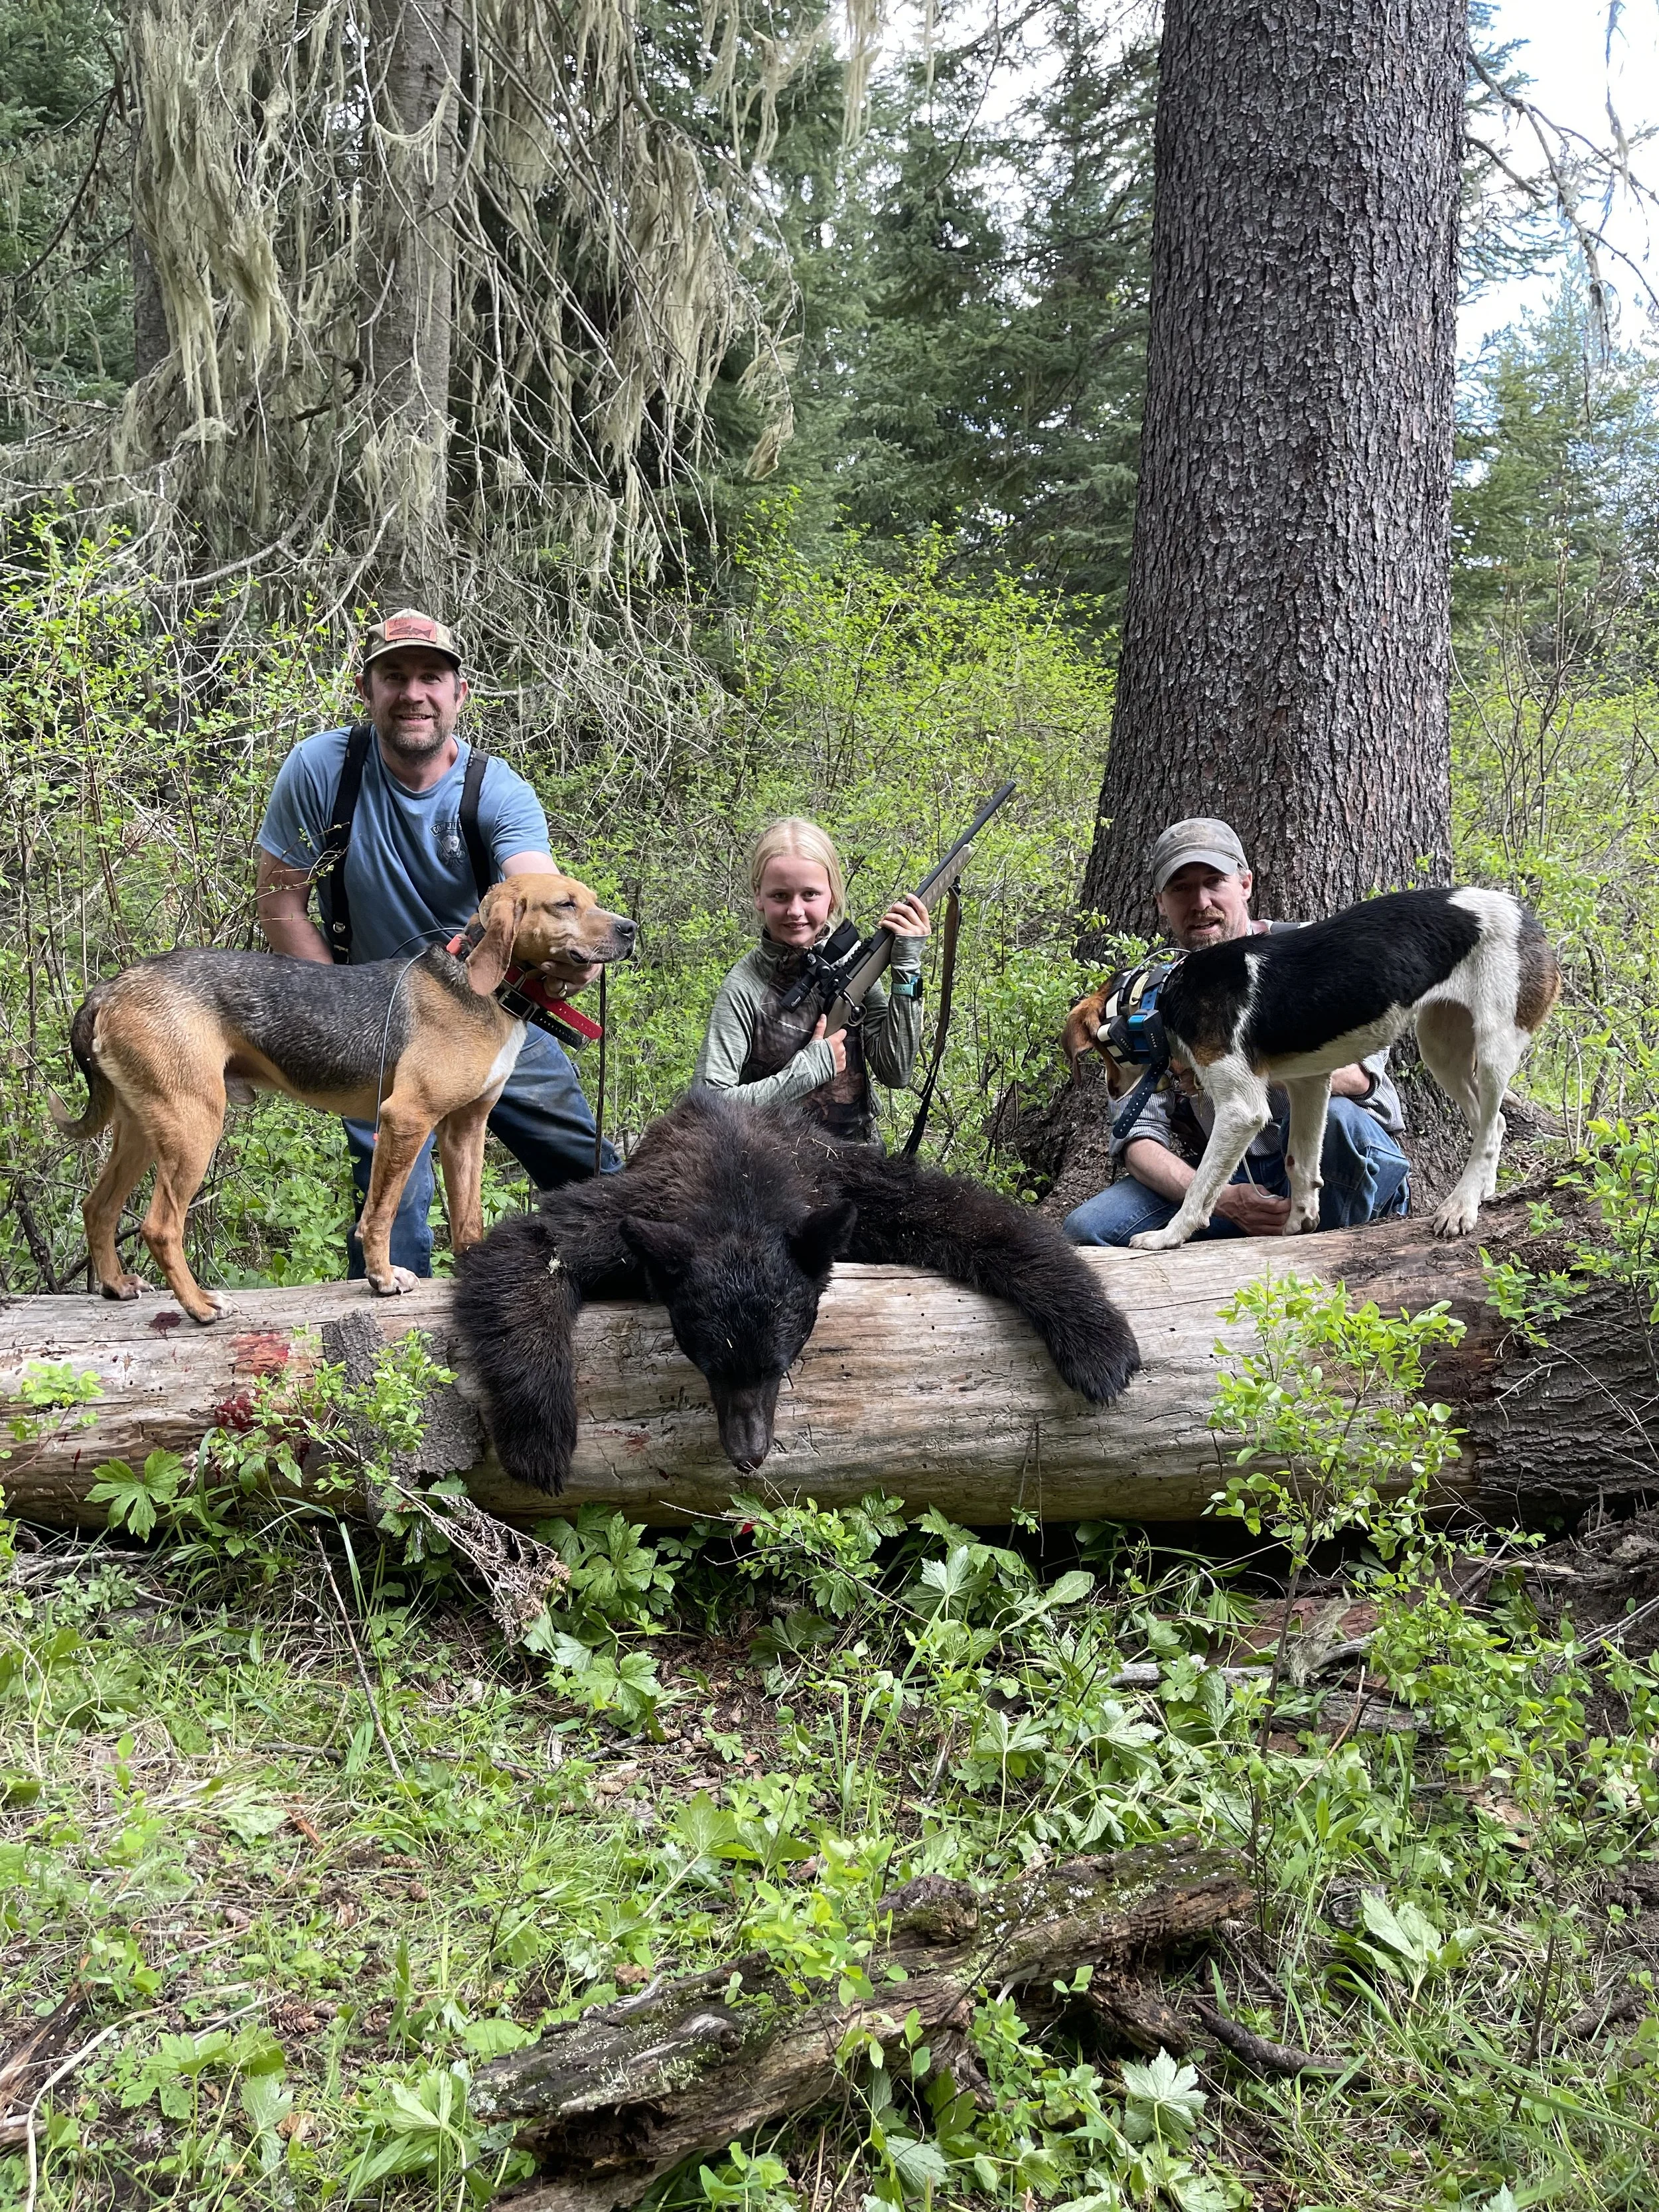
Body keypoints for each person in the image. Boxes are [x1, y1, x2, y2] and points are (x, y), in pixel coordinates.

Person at [255, 607, 616, 1280]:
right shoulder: (320, 770)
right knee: (398, 1192)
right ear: (367, 692)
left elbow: (535, 887)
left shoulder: (495, 790)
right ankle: (395, 1352)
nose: (413, 693)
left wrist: (575, 951)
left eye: (431, 676)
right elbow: (279, 904)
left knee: (583, 1162)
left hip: (497, 1003)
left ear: (459, 695)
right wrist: (334, 1005)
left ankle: (634, 1279)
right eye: (393, 676)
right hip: (382, 1020)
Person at [1064, 817, 1411, 1246]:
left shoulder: (1312, 951)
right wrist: (1219, 1198)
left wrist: (1218, 1068)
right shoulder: (1147, 997)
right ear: (1160, 902)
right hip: (1229, 1175)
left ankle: (1337, 1260)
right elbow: (1138, 1138)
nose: (1201, 901)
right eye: (1181, 888)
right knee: (1087, 1229)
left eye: (1215, 881)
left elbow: (1357, 1077)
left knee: (1340, 1120)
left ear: (1245, 884)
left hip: (1334, 1164)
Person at [694, 817, 930, 1143]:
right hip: (774, 1170)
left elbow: (897, 1072)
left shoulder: (853, 968)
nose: (795, 910)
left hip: (859, 1164)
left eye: (810, 894)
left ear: (831, 897)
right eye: (780, 896)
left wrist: (908, 968)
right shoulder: (744, 986)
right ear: (758, 897)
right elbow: (708, 1105)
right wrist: (808, 1070)